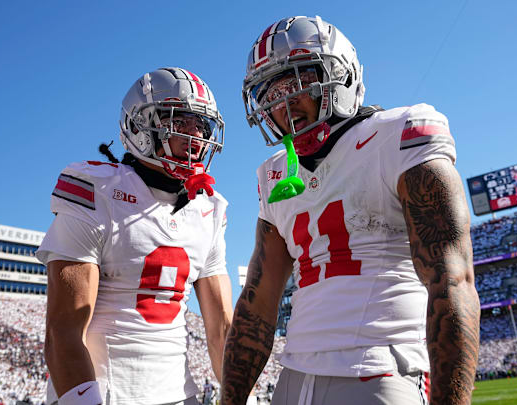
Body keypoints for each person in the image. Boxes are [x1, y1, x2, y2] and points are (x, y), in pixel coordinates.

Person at [221, 15, 480, 405]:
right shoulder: (274, 175)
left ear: (340, 76)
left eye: (298, 85)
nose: (285, 108)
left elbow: (452, 281)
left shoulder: (399, 134)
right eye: (270, 96)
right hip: (293, 377)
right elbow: (258, 303)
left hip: (381, 371)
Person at [37, 67, 232, 405]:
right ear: (142, 127)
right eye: (180, 122)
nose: (196, 135)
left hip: (180, 395)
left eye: (201, 125)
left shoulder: (210, 209)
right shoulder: (97, 189)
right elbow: (63, 332)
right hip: (105, 394)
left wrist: (245, 397)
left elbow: (222, 331)